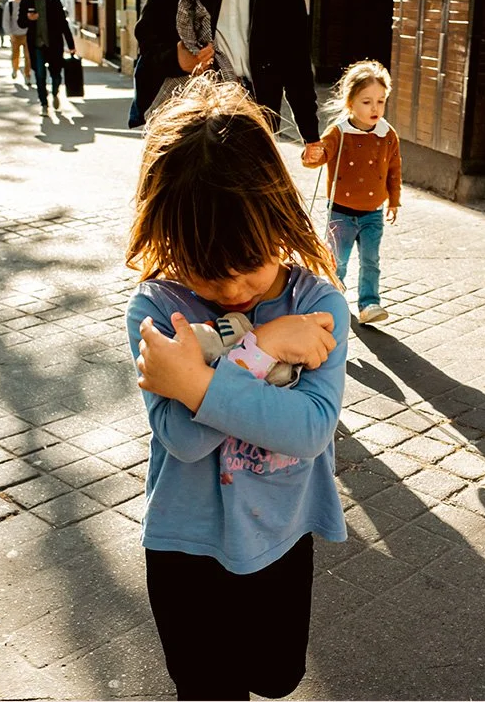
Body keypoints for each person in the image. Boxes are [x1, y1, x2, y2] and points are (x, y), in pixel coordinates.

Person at [125, 75, 348, 701]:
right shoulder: (157, 305)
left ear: (276, 215)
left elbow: (308, 430)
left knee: (276, 678)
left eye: (247, 265)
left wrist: (199, 378)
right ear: (169, 239)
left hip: (282, 533)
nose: (229, 292)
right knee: (206, 689)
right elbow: (181, 440)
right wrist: (269, 347)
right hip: (184, 544)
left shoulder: (319, 303)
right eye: (205, 272)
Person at [130, 0, 323, 163]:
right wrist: (176, 59)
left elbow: (295, 57)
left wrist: (311, 135)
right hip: (194, 107)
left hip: (253, 110)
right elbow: (148, 34)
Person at [301, 60, 402, 325]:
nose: (375, 108)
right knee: (339, 262)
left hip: (373, 213)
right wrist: (312, 154)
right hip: (341, 213)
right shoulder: (339, 132)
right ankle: (331, 300)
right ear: (350, 102)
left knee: (371, 261)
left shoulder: (387, 134)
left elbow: (394, 168)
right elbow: (319, 156)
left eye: (380, 101)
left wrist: (394, 201)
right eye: (367, 102)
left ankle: (369, 304)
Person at [17, 0, 75, 116]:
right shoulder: (26, 2)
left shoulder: (54, 1)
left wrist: (71, 45)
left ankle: (55, 93)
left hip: (54, 44)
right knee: (40, 75)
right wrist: (28, 18)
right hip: (36, 45)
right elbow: (20, 23)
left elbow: (63, 24)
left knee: (56, 73)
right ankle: (44, 103)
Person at [0, 0, 32, 85]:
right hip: (15, 34)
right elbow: (6, 20)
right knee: (15, 54)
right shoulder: (9, 5)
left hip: (27, 33)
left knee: (28, 56)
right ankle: (15, 69)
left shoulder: (27, 2)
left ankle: (27, 75)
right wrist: (10, 33)